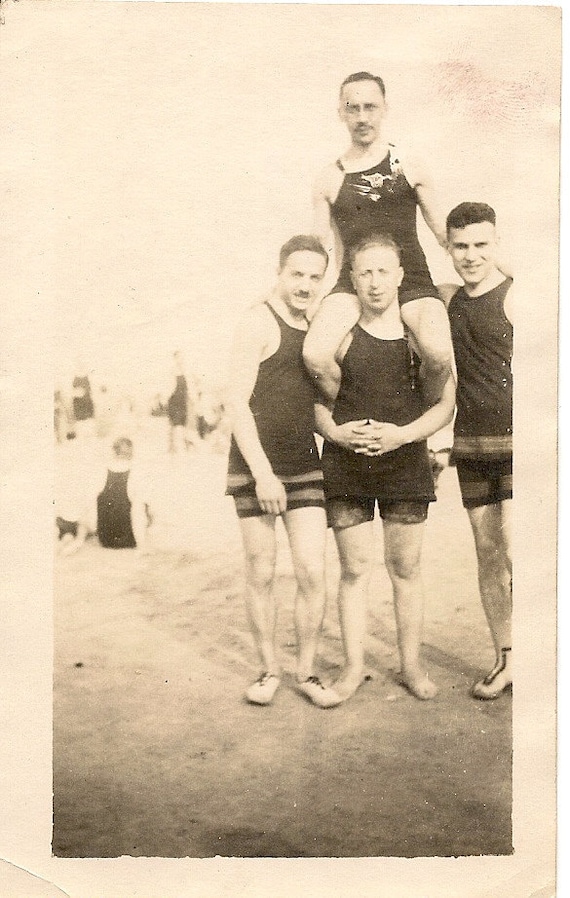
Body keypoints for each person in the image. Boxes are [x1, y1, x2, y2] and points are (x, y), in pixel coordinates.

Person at [315, 233, 456, 703]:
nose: (375, 283)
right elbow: (315, 402)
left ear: (400, 276)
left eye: (383, 272)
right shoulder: (339, 334)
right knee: (354, 570)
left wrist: (403, 434)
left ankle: (411, 666)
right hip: (346, 466)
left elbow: (445, 406)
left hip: (405, 464)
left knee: (405, 568)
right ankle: (354, 668)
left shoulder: (421, 337)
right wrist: (334, 433)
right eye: (365, 272)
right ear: (351, 279)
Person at [226, 235, 341, 708]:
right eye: (298, 274)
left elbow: (315, 400)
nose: (306, 284)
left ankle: (307, 672)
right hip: (256, 465)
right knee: (262, 569)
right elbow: (235, 402)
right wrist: (263, 475)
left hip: (302, 463)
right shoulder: (257, 320)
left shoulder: (316, 325)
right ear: (280, 272)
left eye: (316, 277)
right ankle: (268, 669)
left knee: (314, 571)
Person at [303, 71, 453, 406]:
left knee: (440, 353)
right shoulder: (329, 178)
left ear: (385, 108)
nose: (361, 117)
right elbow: (316, 247)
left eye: (370, 107)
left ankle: (416, 420)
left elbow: (445, 233)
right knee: (315, 354)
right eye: (352, 108)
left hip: (411, 279)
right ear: (340, 113)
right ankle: (357, 410)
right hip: (353, 282)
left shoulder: (409, 165)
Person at [444, 202, 513, 700]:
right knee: (488, 553)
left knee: (519, 545)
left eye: (481, 245)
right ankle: (506, 658)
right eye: (461, 245)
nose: (470, 255)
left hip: (520, 442)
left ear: (497, 244)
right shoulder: (446, 300)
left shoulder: (519, 293)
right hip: (469, 443)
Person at [96, 437, 150, 551]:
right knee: (140, 503)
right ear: (131, 452)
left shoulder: (103, 471)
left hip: (106, 539)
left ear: (114, 452)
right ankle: (142, 542)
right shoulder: (134, 472)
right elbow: (138, 510)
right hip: (128, 539)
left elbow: (91, 502)